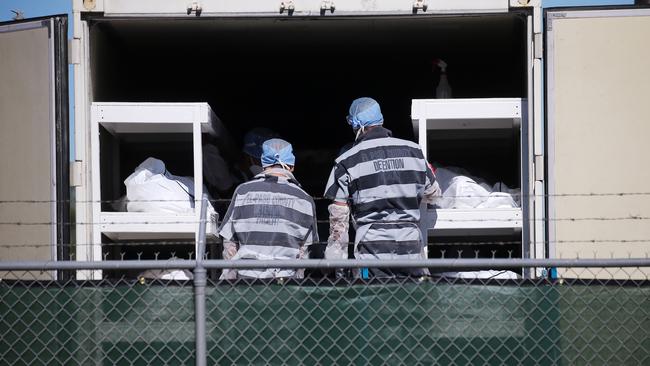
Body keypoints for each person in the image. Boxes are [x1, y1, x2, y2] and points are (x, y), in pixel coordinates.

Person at [323, 97, 441, 278]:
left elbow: (339, 222)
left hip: (371, 249)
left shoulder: (347, 161)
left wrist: (335, 265)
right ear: (381, 120)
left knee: (375, 302)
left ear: (356, 125)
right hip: (410, 246)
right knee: (412, 301)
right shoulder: (414, 151)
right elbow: (433, 195)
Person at [219, 138, 319, 279]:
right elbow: (303, 251)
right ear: (292, 166)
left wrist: (229, 282)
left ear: (263, 163)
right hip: (286, 282)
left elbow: (229, 243)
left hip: (246, 281)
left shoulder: (242, 191)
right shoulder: (305, 199)